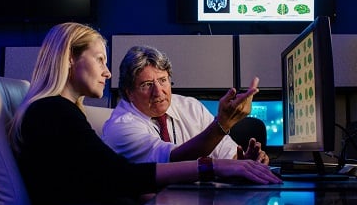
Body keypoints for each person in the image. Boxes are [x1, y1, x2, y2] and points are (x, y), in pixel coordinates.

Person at [8, 23, 281, 205]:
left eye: (163, 81)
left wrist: (236, 163)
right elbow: (120, 176)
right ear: (70, 58)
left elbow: (105, 178)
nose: (107, 72)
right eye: (100, 60)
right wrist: (214, 165)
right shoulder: (52, 111)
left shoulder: (60, 112)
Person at [102, 45, 268, 164]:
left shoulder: (190, 106)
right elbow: (173, 161)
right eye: (146, 84)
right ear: (129, 91)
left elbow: (227, 152)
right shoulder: (120, 126)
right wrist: (222, 124)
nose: (158, 92)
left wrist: (245, 162)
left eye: (162, 80)